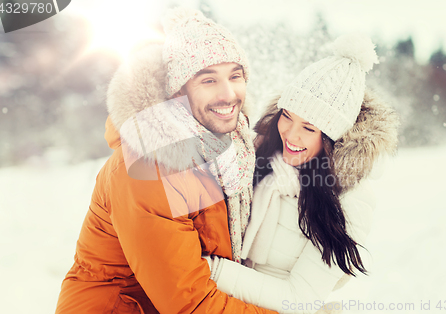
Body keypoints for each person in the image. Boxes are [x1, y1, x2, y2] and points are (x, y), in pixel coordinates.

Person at [56, 8, 278, 314]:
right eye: (208, 80)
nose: (228, 94)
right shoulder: (148, 168)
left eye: (235, 76)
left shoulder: (233, 150)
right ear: (180, 91)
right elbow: (191, 302)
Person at [203, 34, 399, 313]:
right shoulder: (258, 156)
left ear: (333, 139)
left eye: (309, 128)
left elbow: (299, 299)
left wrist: (212, 270)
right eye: (287, 116)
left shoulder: (351, 200)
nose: (291, 135)